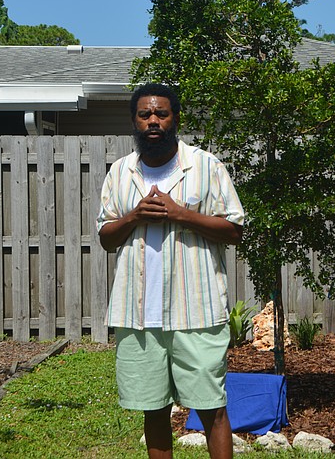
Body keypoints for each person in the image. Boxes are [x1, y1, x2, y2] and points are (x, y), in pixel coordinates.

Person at [96, 83, 244, 459]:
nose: (153, 121)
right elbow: (106, 237)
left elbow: (234, 230)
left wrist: (181, 214)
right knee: (154, 408)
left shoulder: (206, 166)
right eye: (145, 114)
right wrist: (134, 216)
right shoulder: (120, 172)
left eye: (161, 113)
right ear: (134, 120)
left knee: (212, 407)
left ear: (175, 118)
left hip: (197, 310)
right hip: (139, 315)